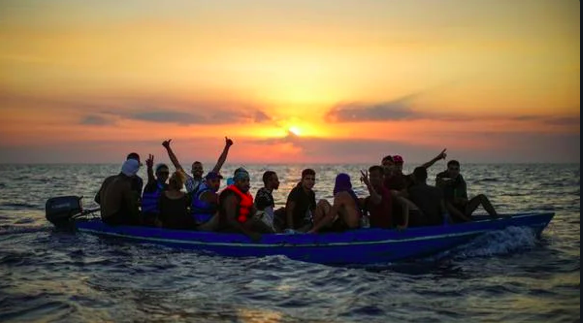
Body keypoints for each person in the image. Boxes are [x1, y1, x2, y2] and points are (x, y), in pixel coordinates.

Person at [162, 137, 233, 193]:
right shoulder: (188, 181)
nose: (197, 169)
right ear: (192, 171)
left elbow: (219, 163)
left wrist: (227, 146)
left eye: (199, 168)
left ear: (202, 171)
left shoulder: (207, 180)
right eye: (195, 168)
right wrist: (168, 148)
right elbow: (176, 164)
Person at [218, 168, 269, 241]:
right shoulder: (231, 197)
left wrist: (264, 215)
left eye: (248, 181)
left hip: (243, 224)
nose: (247, 183)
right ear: (236, 182)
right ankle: (277, 238)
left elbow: (254, 212)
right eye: (243, 181)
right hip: (229, 229)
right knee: (257, 222)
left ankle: (278, 233)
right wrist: (249, 234)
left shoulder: (245, 194)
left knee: (267, 217)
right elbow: (230, 221)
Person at [94, 159, 141, 226]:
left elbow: (97, 199)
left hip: (104, 218)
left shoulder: (109, 179)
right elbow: (131, 208)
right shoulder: (125, 184)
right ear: (134, 173)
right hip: (114, 220)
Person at [141, 154, 169, 226]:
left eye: (166, 173)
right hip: (149, 216)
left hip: (160, 215)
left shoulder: (168, 187)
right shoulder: (152, 185)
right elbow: (150, 177)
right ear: (156, 174)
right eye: (161, 173)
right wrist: (149, 168)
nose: (164, 175)